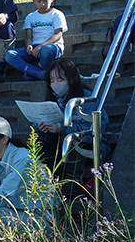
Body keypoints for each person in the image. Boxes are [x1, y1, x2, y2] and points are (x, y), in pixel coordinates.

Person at [37, 59, 110, 195]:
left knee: (72, 140)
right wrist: (41, 126)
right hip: (59, 145)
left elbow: (97, 128)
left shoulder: (87, 98)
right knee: (41, 139)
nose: (55, 85)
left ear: (71, 79)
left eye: (60, 80)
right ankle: (47, 184)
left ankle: (72, 187)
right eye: (52, 81)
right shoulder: (53, 100)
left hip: (87, 145)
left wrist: (62, 128)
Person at [5, 0, 67, 81]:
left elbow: (58, 35)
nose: (42, 4)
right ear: (33, 1)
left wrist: (41, 46)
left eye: (45, 1)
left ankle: (33, 72)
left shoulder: (57, 14)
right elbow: (28, 37)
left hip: (51, 46)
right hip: (35, 49)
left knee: (46, 50)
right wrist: (29, 46)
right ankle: (38, 73)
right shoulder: (30, 17)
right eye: (39, 1)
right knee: (9, 55)